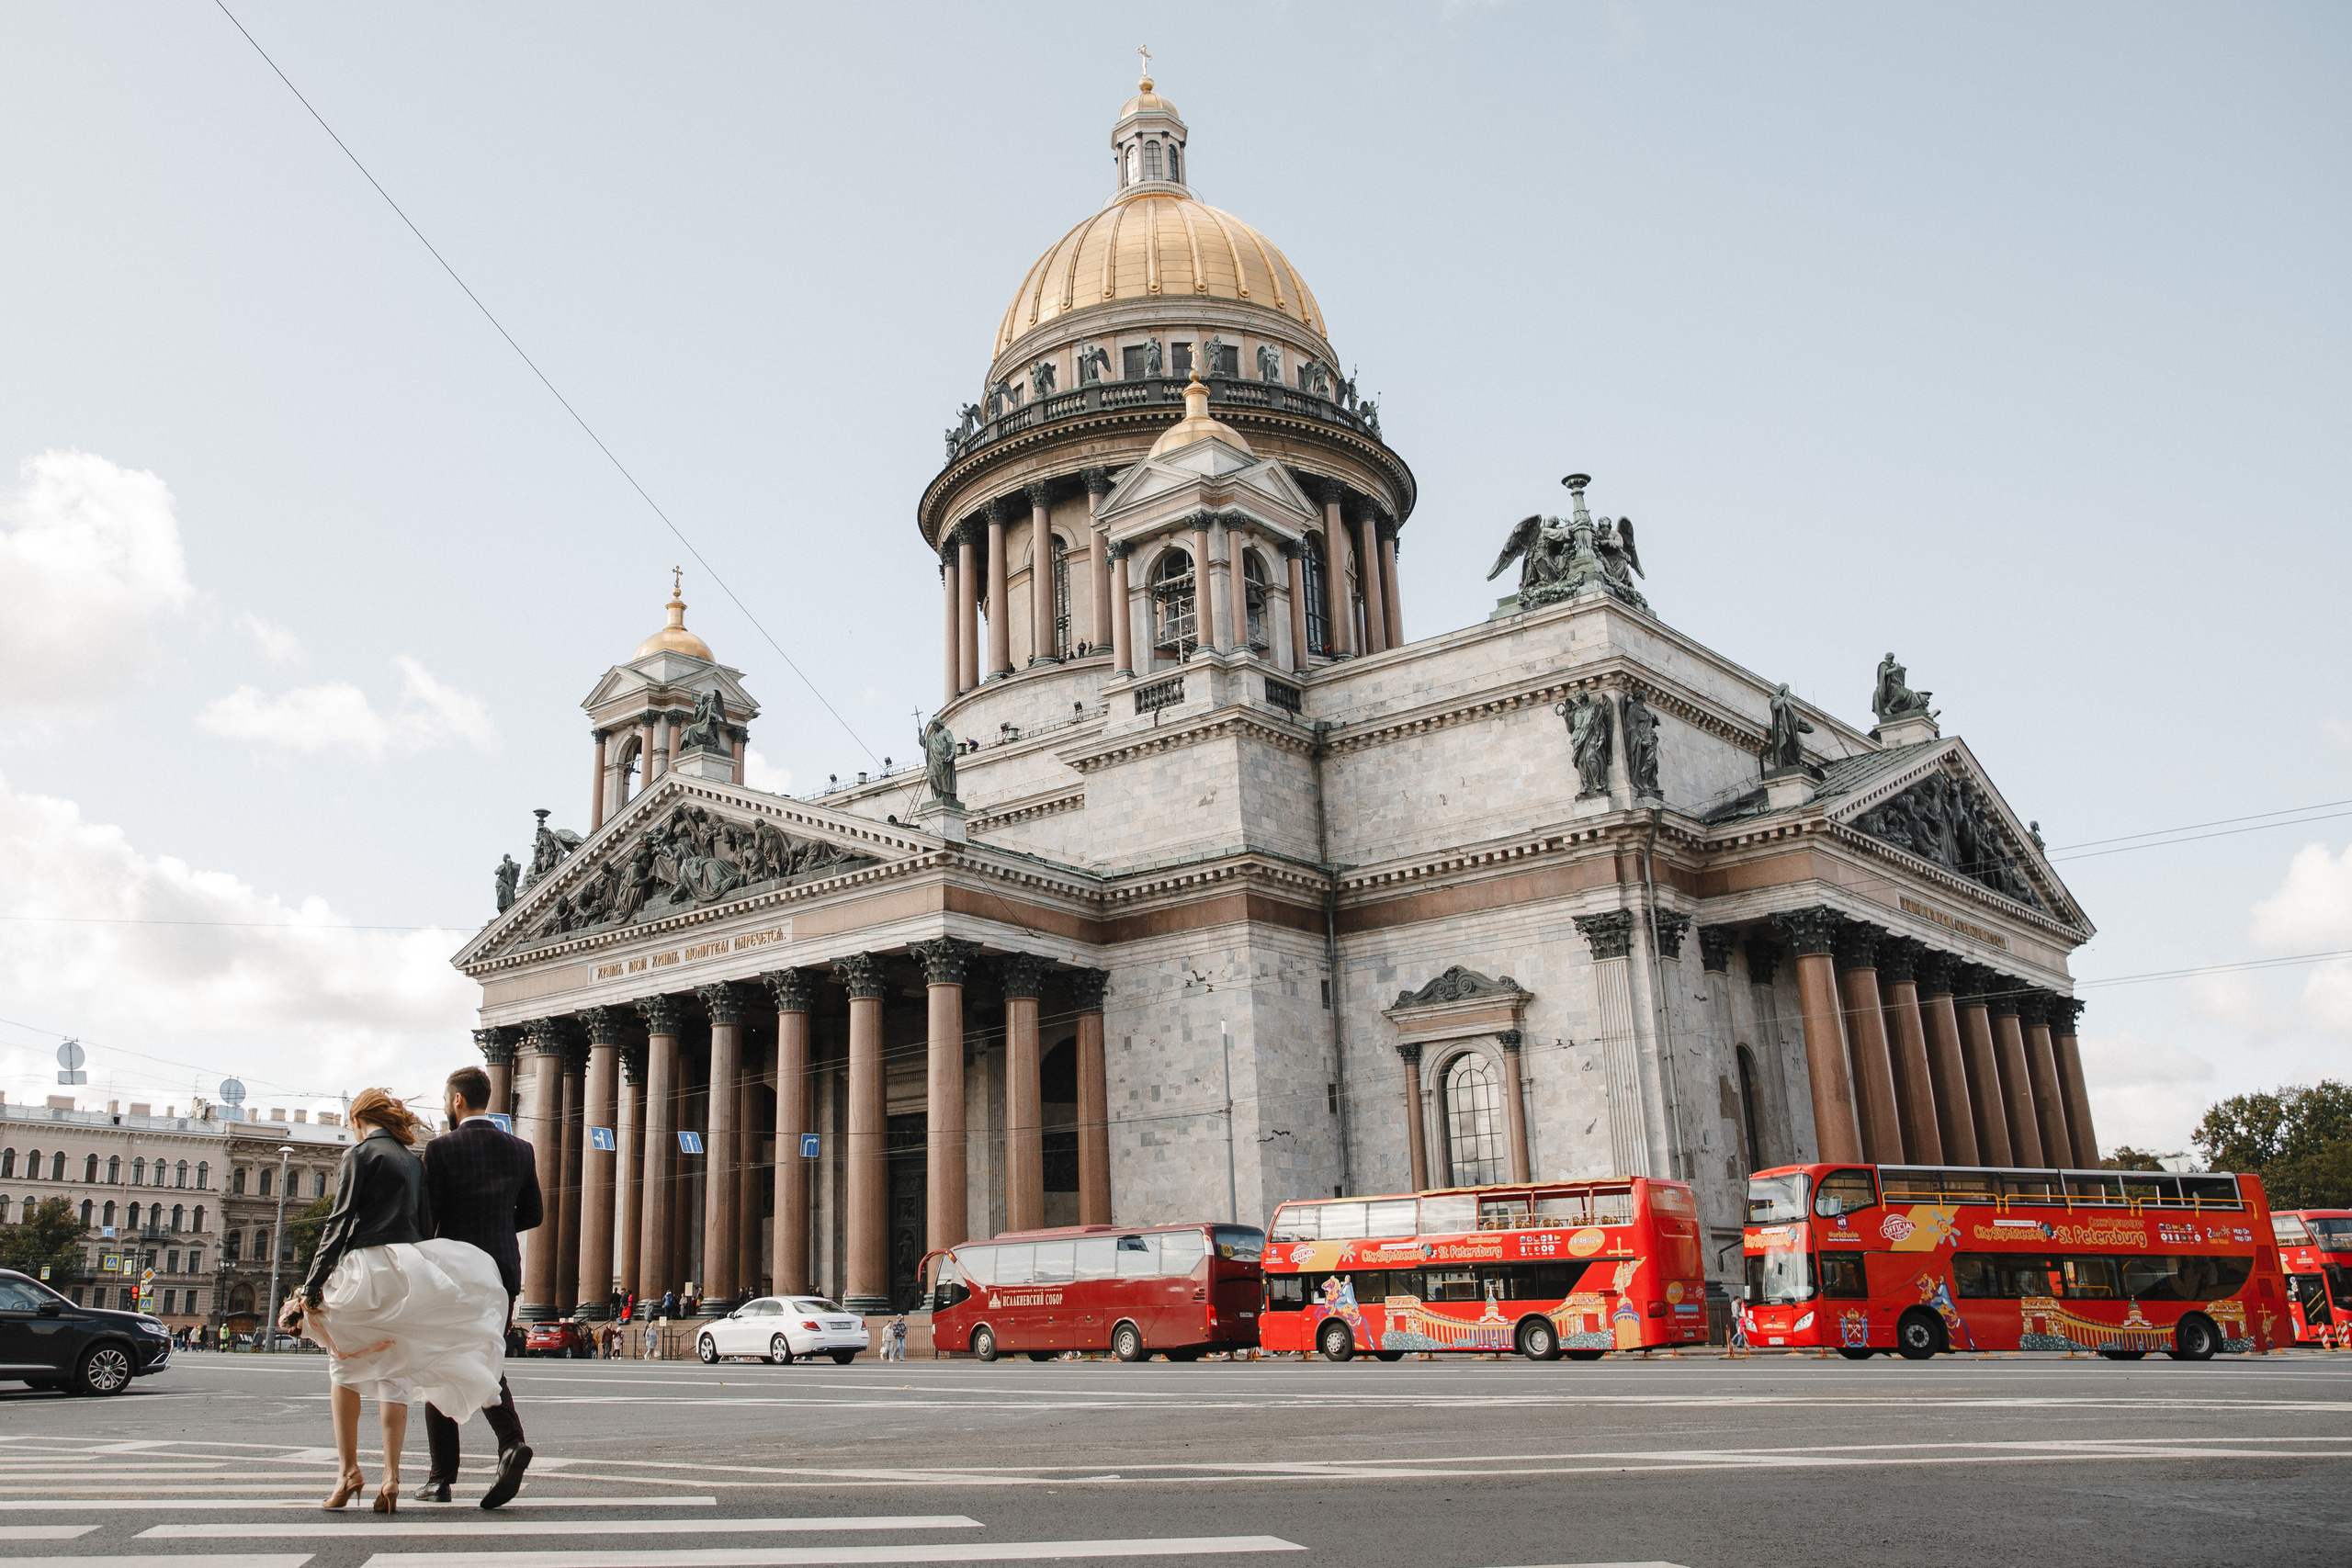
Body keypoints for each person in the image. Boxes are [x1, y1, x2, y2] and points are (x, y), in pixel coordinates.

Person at [284, 1088, 507, 1516]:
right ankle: (391, 1476)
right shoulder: (412, 1160)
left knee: (343, 1367)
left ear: (357, 1120)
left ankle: (348, 1473)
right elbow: (425, 1222)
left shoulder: (360, 1154)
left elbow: (339, 1222)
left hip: (365, 1268)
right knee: (396, 1370)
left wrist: (310, 1287)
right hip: (408, 1268)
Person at [413, 1066, 544, 1509]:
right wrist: (498, 1228)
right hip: (503, 1272)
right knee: (485, 1354)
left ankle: (441, 1478)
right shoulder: (521, 1148)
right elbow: (534, 1214)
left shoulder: (441, 1148)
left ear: (456, 1100)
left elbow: (427, 1217)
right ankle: (510, 1444)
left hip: (455, 1272)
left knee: (440, 1359)